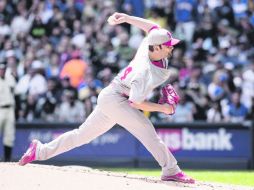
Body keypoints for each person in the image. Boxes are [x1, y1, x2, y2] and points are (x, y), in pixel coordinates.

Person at [19, 12, 195, 184]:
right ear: (156, 48)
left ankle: (39, 151)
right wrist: (164, 108)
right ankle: (171, 170)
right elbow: (135, 102)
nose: (171, 47)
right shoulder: (144, 71)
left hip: (112, 95)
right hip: (117, 99)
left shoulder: (150, 45)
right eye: (168, 45)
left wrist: (127, 18)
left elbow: (153, 27)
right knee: (146, 129)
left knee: (81, 135)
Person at [0, 61, 16, 161]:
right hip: (0, 108)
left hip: (10, 109)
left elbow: (16, 92)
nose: (2, 71)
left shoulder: (10, 78)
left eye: (3, 69)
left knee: (9, 136)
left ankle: (7, 160)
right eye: (0, 69)